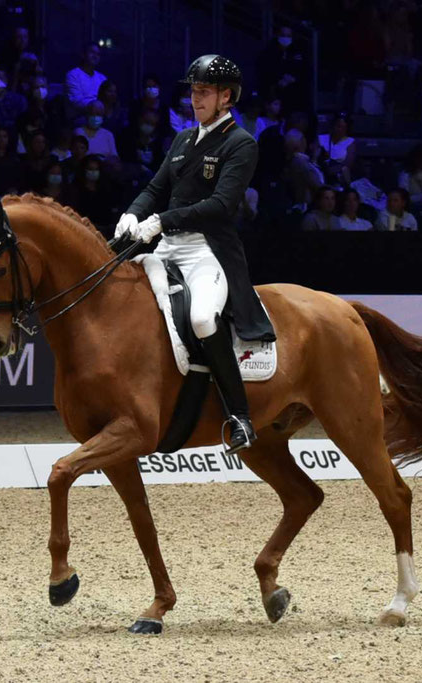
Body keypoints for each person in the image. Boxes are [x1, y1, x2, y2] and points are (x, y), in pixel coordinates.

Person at [115, 54, 273, 454]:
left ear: (226, 98)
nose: (195, 99)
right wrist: (132, 214)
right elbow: (155, 187)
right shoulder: (184, 140)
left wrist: (161, 221)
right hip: (167, 248)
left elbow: (221, 205)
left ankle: (240, 416)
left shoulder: (242, 144)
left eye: (203, 92)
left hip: (207, 251)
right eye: (193, 92)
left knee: (203, 318)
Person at [65, 43, 107, 114]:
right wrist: (94, 105)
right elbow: (76, 101)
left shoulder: (102, 78)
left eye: (98, 54)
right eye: (92, 52)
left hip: (101, 114)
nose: (95, 56)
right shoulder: (73, 75)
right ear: (83, 55)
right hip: (80, 117)